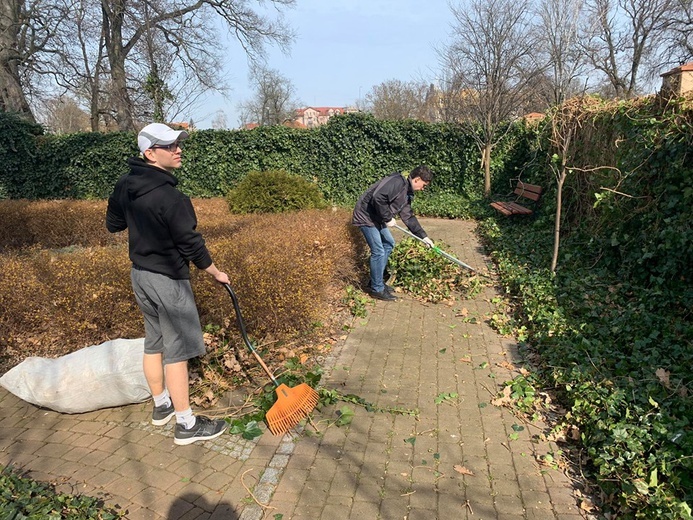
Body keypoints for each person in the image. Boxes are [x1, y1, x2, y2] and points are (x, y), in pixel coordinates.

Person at [106, 123, 229, 445]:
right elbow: (191, 243)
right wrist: (215, 272)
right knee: (178, 351)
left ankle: (161, 406)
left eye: (178, 144)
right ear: (150, 153)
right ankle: (186, 424)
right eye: (170, 146)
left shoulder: (125, 184)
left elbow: (113, 224)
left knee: (154, 341)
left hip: (141, 275)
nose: (178, 150)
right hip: (168, 280)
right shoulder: (171, 197)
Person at [352, 165, 434, 301]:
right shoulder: (397, 182)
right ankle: (376, 288)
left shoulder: (406, 193)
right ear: (417, 179)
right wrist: (387, 218)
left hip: (377, 218)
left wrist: (424, 237)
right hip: (366, 216)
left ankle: (376, 281)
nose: (423, 189)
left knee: (389, 243)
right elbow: (378, 197)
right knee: (378, 250)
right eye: (423, 185)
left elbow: (408, 217)